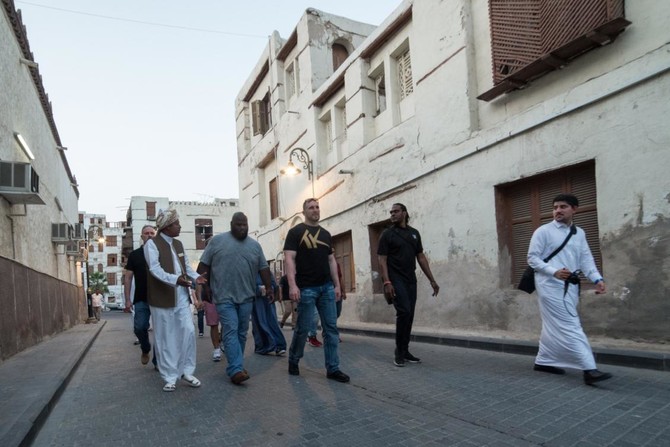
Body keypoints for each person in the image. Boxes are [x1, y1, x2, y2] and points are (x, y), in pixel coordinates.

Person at [528, 193, 612, 385]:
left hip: (571, 286)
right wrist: (554, 272)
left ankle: (544, 361)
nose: (558, 210)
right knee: (570, 324)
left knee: (553, 323)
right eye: (555, 207)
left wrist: (597, 278)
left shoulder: (579, 233)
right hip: (549, 285)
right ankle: (589, 369)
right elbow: (532, 258)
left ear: (574, 209)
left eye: (563, 207)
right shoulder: (543, 231)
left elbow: (585, 258)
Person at [197, 212, 274, 385]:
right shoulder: (217, 241)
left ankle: (236, 364)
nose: (242, 228)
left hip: (246, 297)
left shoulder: (255, 246)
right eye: (238, 225)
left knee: (241, 332)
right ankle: (235, 370)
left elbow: (263, 268)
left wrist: (269, 288)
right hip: (224, 297)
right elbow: (203, 266)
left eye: (244, 225)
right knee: (231, 329)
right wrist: (206, 287)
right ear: (231, 224)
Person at [284, 198, 349, 383]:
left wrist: (337, 285)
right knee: (303, 329)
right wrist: (293, 285)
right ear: (304, 212)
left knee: (331, 329)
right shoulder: (295, 232)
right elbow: (289, 259)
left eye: (317, 207)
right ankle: (294, 359)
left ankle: (333, 368)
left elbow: (331, 261)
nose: (315, 210)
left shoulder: (326, 234)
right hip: (306, 288)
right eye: (311, 207)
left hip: (326, 288)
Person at [144, 209, 205, 392]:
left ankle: (187, 371)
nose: (179, 226)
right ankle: (169, 377)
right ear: (167, 227)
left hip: (182, 297)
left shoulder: (178, 244)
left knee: (189, 332)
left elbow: (185, 267)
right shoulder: (152, 244)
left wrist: (196, 277)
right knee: (166, 338)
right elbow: (155, 269)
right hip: (162, 298)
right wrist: (175, 280)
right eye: (176, 223)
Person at [378, 203, 439, 367]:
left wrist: (432, 280)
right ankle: (399, 351)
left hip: (410, 279)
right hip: (395, 278)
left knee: (409, 315)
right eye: (391, 212)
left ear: (404, 213)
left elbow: (421, 257)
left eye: (396, 211)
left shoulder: (414, 233)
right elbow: (382, 259)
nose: (392, 214)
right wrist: (387, 281)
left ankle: (405, 350)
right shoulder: (387, 234)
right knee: (404, 311)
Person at [124, 224, 157, 366]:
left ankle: (158, 360)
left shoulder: (161, 253)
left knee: (161, 331)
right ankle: (145, 348)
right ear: (142, 236)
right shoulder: (135, 255)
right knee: (139, 327)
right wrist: (127, 300)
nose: (149, 235)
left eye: (152, 233)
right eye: (146, 233)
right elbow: (128, 278)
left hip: (159, 299)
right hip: (141, 298)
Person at [251, 273, 287, 355]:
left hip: (268, 301)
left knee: (272, 323)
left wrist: (271, 290)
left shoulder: (267, 272)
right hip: (258, 302)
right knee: (260, 324)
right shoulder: (252, 272)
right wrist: (260, 289)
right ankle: (263, 346)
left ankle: (279, 345)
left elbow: (274, 285)